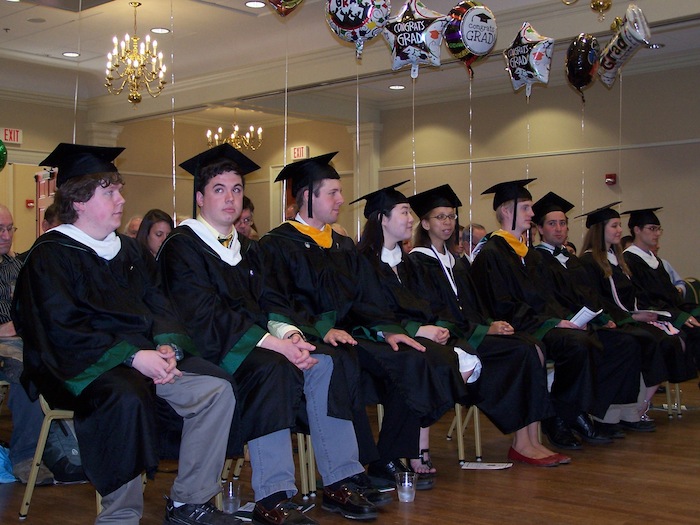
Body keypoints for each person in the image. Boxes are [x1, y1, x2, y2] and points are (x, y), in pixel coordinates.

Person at [14, 143, 240, 525]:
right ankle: (120, 515)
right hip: (78, 369)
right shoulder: (51, 256)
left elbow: (159, 306)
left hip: (141, 361)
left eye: (118, 190)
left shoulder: (129, 253)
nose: (121, 199)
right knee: (127, 396)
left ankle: (188, 501)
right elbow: (60, 329)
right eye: (110, 192)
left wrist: (167, 345)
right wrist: (134, 357)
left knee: (216, 389)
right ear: (80, 202)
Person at [159, 144, 379, 524]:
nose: (231, 198)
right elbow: (202, 315)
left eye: (237, 189)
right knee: (271, 369)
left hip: (256, 344)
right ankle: (273, 493)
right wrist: (272, 344)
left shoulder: (248, 249)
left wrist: (291, 335)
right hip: (210, 351)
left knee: (326, 361)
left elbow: (270, 300)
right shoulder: (183, 246)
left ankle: (340, 477)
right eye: (219, 189)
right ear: (199, 197)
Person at [258, 152, 452, 489]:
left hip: (353, 333)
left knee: (410, 358)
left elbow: (364, 299)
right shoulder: (276, 244)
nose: (341, 200)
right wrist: (322, 328)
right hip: (309, 337)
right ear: (307, 196)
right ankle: (359, 466)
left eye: (340, 192)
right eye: (332, 193)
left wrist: (386, 331)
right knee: (345, 364)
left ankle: (389, 455)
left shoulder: (342, 244)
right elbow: (277, 302)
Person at [357, 183, 563, 467]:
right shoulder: (409, 261)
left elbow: (452, 308)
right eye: (439, 216)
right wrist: (467, 330)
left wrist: (487, 325)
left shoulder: (431, 263)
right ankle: (414, 451)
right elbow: (388, 311)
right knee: (516, 354)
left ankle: (528, 441)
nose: (448, 222)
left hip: (440, 334)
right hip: (415, 339)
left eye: (452, 216)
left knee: (530, 346)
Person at [470, 179, 612, 451]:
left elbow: (546, 297)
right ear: (507, 211)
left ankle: (569, 412)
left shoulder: (528, 254)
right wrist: (552, 322)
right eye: (525, 208)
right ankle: (559, 416)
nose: (532, 214)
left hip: (540, 323)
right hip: (519, 327)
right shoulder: (492, 253)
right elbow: (501, 305)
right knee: (576, 345)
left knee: (590, 338)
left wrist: (566, 319)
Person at [354, 183, 483, 471]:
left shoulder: (406, 264)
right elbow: (367, 311)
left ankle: (410, 448)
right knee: (415, 363)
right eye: (403, 213)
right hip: (373, 338)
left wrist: (432, 327)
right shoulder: (363, 262)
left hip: (408, 335)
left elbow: (423, 304)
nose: (411, 219)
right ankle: (392, 454)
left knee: (452, 355)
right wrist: (415, 330)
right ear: (382, 219)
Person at [532, 192, 661, 433]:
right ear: (539, 227)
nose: (559, 229)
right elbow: (545, 301)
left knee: (628, 342)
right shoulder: (535, 260)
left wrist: (603, 318)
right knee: (616, 343)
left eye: (563, 223)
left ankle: (610, 413)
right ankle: (573, 415)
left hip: (585, 324)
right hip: (560, 327)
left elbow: (589, 296)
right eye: (552, 223)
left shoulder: (571, 261)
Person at [577, 203, 697, 418]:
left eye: (620, 225)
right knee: (649, 340)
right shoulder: (587, 262)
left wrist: (638, 314)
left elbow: (632, 296)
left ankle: (636, 408)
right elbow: (596, 299)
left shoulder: (617, 261)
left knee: (656, 338)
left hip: (626, 318)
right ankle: (619, 412)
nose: (619, 230)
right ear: (599, 229)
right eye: (614, 226)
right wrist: (630, 316)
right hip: (608, 322)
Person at [0, 204, 55, 485]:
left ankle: (56, 450)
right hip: (5, 341)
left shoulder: (16, 265)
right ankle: (23, 456)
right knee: (26, 368)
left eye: (10, 228)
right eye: (0, 229)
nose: (6, 235)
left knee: (41, 363)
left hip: (19, 341)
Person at [622, 207, 700, 370]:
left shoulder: (655, 260)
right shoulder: (629, 260)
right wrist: (678, 316)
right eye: (652, 229)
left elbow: (669, 294)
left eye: (658, 229)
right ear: (637, 230)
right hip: (654, 317)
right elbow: (645, 300)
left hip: (669, 311)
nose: (657, 234)